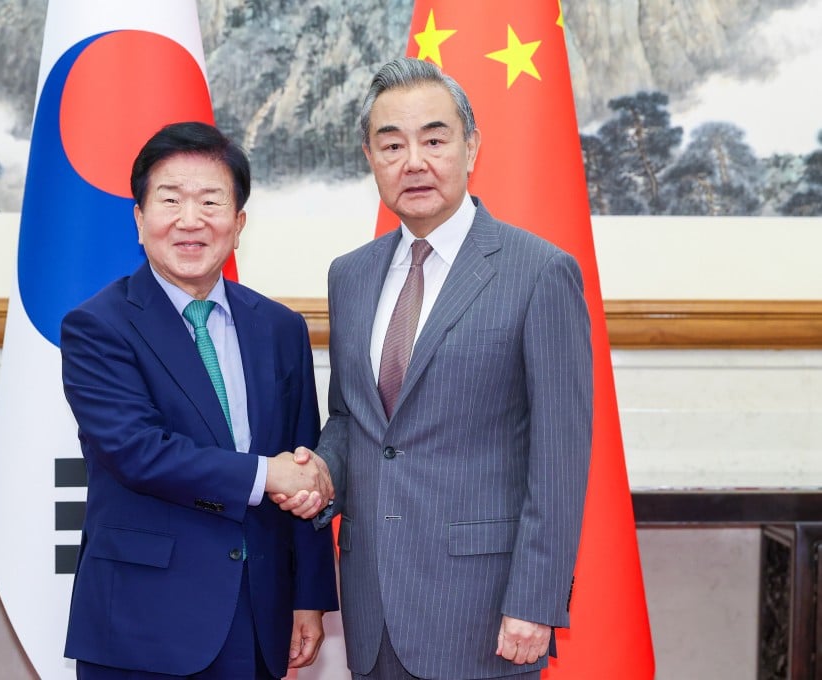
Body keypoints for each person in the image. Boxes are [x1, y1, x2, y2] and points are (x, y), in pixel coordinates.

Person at [275, 57, 593, 679]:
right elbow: (352, 415)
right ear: (370, 157)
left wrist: (534, 600)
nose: (413, 161)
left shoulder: (539, 273)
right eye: (391, 144)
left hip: (484, 611)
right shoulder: (352, 275)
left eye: (434, 139)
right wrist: (323, 473)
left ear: (471, 146)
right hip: (372, 604)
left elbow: (560, 456)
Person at [61, 121, 338, 679]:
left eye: (211, 201)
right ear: (140, 220)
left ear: (237, 226)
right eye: (170, 201)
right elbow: (138, 451)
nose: (190, 220)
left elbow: (302, 457)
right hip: (143, 623)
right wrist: (268, 476)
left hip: (258, 614)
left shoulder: (280, 328)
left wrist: (309, 595)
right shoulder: (98, 326)